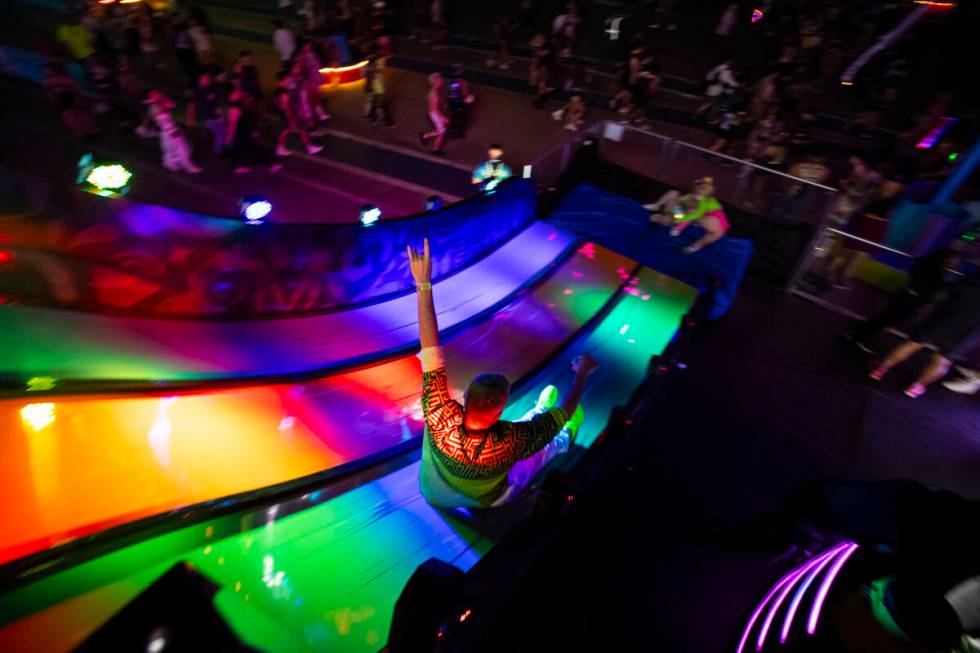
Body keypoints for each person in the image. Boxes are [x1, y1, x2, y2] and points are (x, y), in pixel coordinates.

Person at [406, 239, 595, 509]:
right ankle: (564, 438)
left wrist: (423, 283)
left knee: (534, 432)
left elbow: (430, 347)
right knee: (542, 449)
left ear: (466, 397)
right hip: (486, 498)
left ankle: (538, 414)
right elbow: (564, 412)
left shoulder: (440, 413)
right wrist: (581, 374)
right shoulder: (509, 440)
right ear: (501, 409)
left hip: (434, 486)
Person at [870, 272, 980, 398]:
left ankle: (880, 370)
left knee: (911, 345)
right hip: (966, 335)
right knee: (943, 361)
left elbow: (941, 293)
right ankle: (916, 387)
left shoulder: (968, 285)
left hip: (941, 322)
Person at [846, 248, 957, 354]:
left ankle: (855, 333)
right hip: (909, 300)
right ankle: (858, 338)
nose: (954, 263)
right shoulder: (935, 272)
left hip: (905, 296)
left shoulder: (926, 265)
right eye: (953, 260)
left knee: (882, 319)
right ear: (945, 259)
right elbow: (926, 288)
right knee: (883, 321)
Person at [644, 177, 730, 254]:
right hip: (680, 212)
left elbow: (691, 216)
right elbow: (683, 207)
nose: (697, 196)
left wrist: (678, 225)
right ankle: (657, 206)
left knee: (716, 231)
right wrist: (678, 223)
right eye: (697, 194)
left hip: (684, 214)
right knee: (674, 194)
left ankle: (659, 215)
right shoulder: (693, 199)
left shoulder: (705, 204)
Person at [145, 90, 201, 173]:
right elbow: (162, 120)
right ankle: (187, 166)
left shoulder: (160, 105)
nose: (158, 95)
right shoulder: (154, 108)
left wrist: (162, 98)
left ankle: (176, 165)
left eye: (158, 94)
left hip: (172, 130)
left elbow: (172, 104)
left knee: (177, 149)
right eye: (156, 95)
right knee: (180, 148)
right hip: (169, 132)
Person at [274, 70, 322, 156]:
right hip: (288, 116)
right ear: (283, 80)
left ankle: (280, 148)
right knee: (301, 129)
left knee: (286, 131)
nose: (290, 80)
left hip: (286, 115)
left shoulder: (282, 90)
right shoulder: (283, 94)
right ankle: (309, 147)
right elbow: (287, 108)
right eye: (288, 79)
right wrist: (292, 121)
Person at [186, 69, 228, 155]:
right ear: (200, 79)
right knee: (220, 132)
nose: (208, 79)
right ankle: (218, 151)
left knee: (227, 126)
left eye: (209, 78)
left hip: (214, 117)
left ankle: (224, 146)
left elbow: (216, 105)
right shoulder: (197, 91)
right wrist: (190, 119)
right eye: (206, 78)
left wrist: (221, 114)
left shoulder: (211, 89)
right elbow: (191, 106)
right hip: (206, 119)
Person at [419, 72, 448, 155]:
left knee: (441, 131)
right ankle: (435, 150)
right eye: (440, 79)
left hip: (434, 114)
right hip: (435, 115)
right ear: (436, 81)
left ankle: (425, 136)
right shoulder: (435, 93)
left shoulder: (435, 90)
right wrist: (443, 118)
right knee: (442, 132)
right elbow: (434, 109)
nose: (442, 80)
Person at [363, 55, 395, 127]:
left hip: (379, 89)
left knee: (379, 104)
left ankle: (372, 117)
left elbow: (380, 72)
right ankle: (387, 121)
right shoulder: (369, 68)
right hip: (375, 90)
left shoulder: (376, 65)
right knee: (382, 105)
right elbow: (368, 79)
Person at [447, 63, 474, 138]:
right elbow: (464, 93)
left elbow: (451, 90)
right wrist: (469, 98)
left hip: (452, 101)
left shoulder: (450, 79)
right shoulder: (462, 81)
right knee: (461, 117)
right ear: (460, 70)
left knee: (453, 115)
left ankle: (452, 131)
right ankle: (458, 132)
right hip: (460, 101)